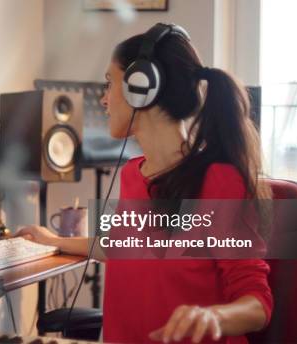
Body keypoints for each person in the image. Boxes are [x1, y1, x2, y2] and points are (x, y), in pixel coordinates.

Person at [18, 23, 273, 343]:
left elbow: (257, 304)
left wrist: (214, 316)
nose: (104, 98)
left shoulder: (220, 183)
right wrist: (52, 240)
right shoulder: (131, 173)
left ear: (142, 87)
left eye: (110, 84)